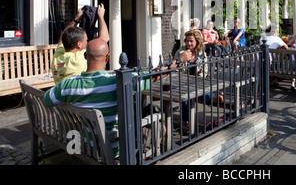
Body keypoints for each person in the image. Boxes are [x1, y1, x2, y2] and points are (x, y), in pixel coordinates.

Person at [44, 38, 191, 157]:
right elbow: (153, 75)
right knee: (159, 123)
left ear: (85, 56)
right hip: (114, 149)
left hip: (85, 145)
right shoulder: (116, 82)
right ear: (107, 58)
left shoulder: (67, 85)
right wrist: (178, 61)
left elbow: (47, 99)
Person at [51, 3, 109, 85]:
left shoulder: (58, 55)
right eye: (86, 40)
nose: (87, 42)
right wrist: (101, 17)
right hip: (74, 96)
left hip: (61, 95)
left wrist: (76, 19)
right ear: (79, 44)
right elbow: (103, 41)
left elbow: (62, 38)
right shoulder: (78, 59)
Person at [180, 30, 223, 131]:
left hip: (197, 82)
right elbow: (177, 71)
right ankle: (212, 97)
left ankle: (185, 121)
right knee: (185, 96)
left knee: (195, 92)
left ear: (197, 42)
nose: (189, 43)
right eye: (187, 41)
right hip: (183, 83)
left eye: (191, 41)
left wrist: (198, 79)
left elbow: (205, 72)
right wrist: (181, 59)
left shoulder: (201, 54)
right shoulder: (181, 52)